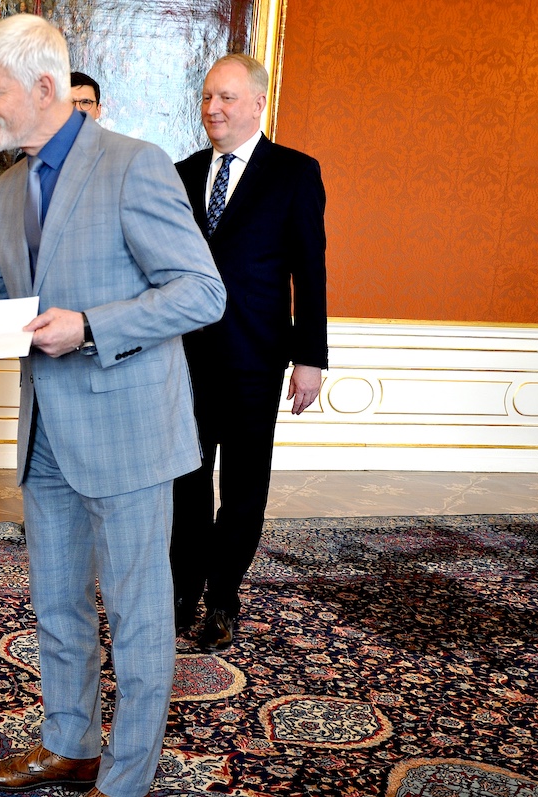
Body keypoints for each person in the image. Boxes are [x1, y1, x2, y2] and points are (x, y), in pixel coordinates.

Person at [0, 15, 225, 797]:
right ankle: (70, 745)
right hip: (44, 437)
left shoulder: (133, 164)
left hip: (129, 431)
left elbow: (202, 291)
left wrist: (91, 326)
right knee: (57, 604)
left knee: (136, 615)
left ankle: (125, 778)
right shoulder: (6, 188)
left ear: (42, 86)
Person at [171, 52, 328, 652]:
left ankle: (222, 600)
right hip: (182, 357)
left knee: (242, 486)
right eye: (207, 96)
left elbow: (309, 272)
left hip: (254, 358)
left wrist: (310, 357)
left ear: (259, 103)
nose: (212, 108)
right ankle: (182, 591)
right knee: (184, 482)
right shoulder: (182, 173)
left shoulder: (294, 173)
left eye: (226, 97)